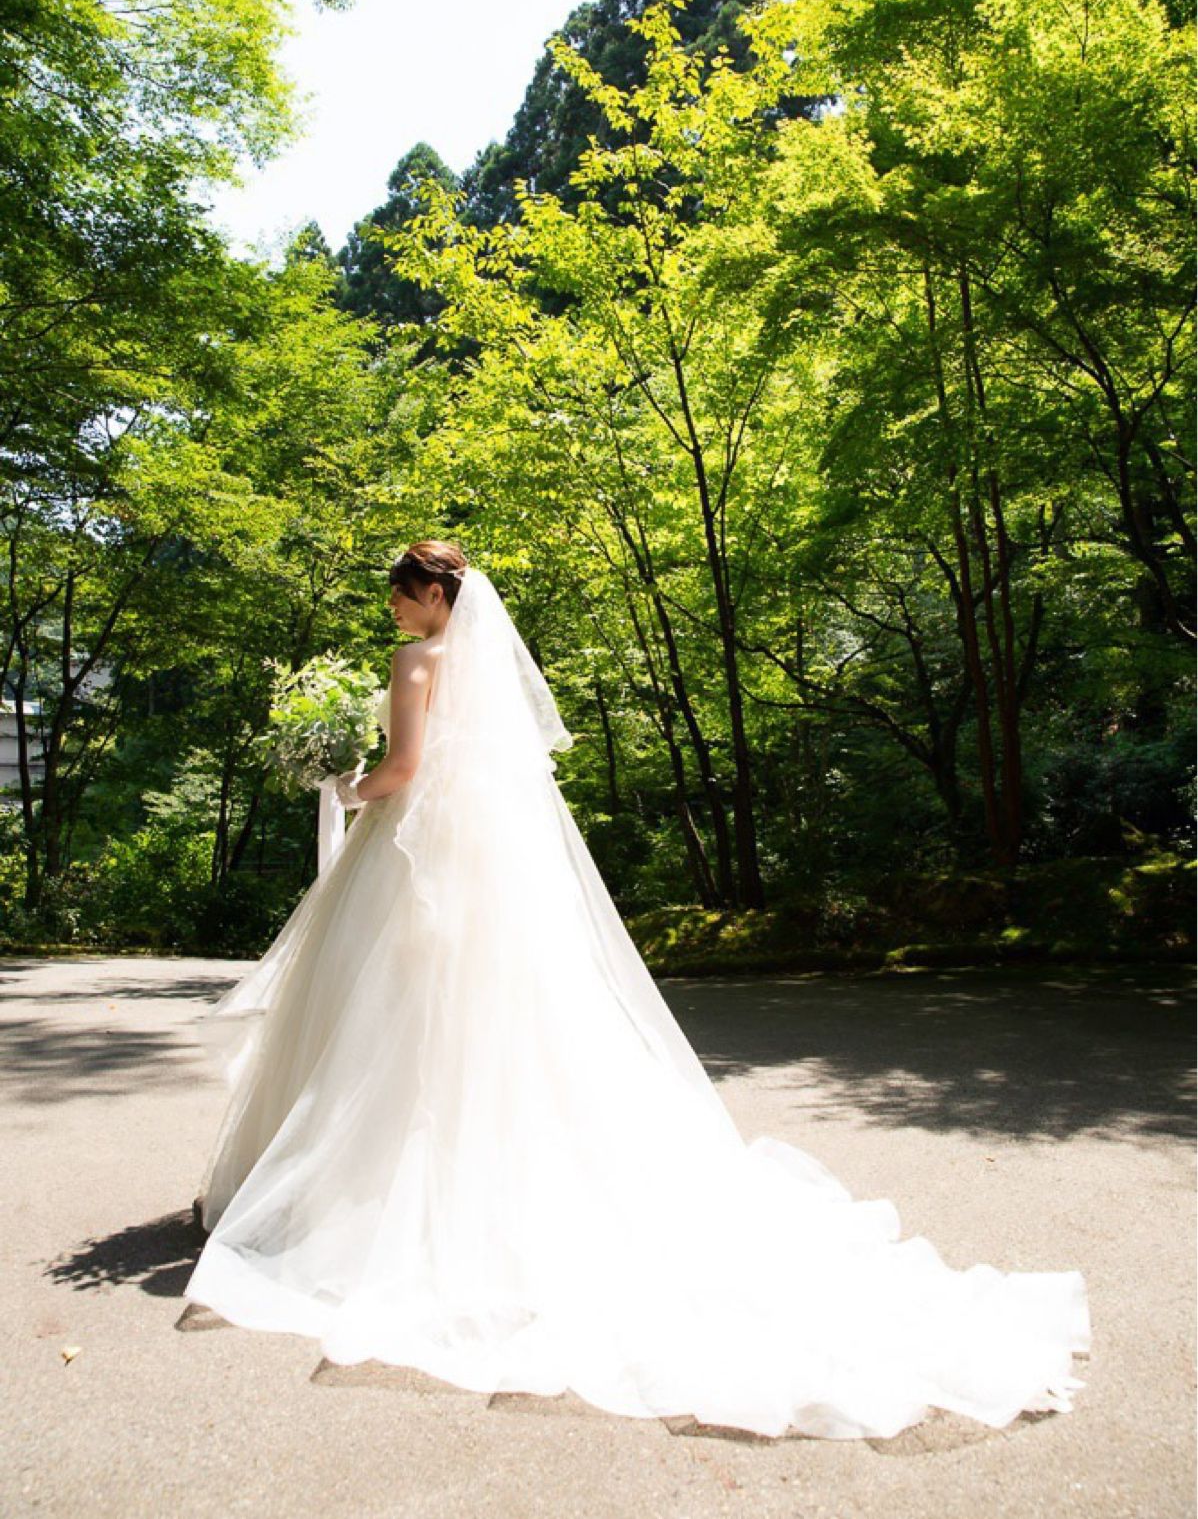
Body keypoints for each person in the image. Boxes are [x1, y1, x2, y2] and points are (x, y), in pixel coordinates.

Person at [184, 541, 1090, 1440]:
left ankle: (361, 1202)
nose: (392, 606)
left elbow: (405, 771)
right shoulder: (484, 667)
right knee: (494, 1020)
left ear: (430, 593)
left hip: (415, 856)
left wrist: (342, 784)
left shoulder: (415, 660)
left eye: (398, 592)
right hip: (488, 865)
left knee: (396, 1017)